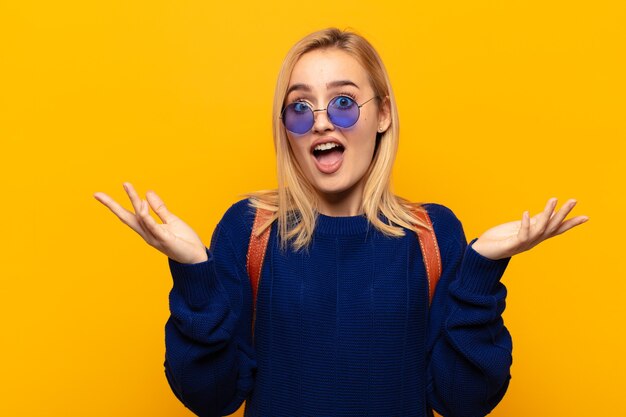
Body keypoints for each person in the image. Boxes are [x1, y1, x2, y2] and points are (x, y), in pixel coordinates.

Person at [94, 27, 588, 417]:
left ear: (383, 115)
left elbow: (463, 401)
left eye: (344, 102)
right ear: (285, 128)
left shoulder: (432, 236)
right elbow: (211, 397)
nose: (322, 121)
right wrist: (195, 271)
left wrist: (480, 268)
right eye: (300, 107)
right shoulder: (249, 232)